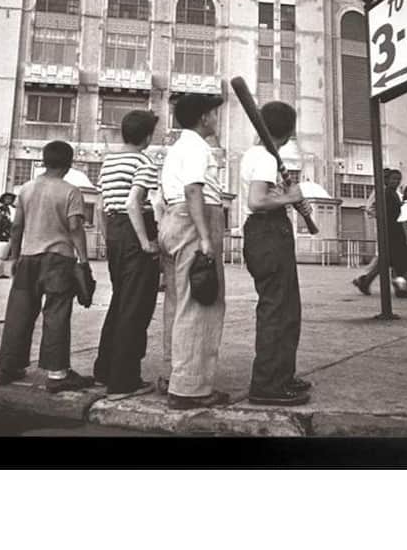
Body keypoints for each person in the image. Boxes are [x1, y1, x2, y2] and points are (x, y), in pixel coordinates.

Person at [0, 141, 96, 392]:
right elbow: (75, 228)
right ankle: (57, 374)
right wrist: (84, 261)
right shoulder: (71, 191)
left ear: (44, 161)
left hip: (28, 258)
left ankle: (8, 367)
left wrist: (14, 258)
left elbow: (17, 227)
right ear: (69, 164)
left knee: (19, 313)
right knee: (56, 314)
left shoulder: (26, 189)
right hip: (58, 260)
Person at [158, 92, 229, 410]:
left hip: (174, 219)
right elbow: (193, 190)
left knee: (177, 303)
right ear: (203, 117)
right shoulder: (197, 147)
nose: (216, 119)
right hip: (194, 220)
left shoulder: (177, 148)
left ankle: (174, 375)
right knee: (201, 305)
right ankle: (189, 389)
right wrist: (204, 238)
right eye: (213, 113)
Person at [240, 101, 312, 406]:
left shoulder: (256, 154)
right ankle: (267, 385)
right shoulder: (267, 157)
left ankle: (282, 375)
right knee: (277, 310)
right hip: (268, 232)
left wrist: (286, 196)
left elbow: (264, 196)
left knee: (286, 309)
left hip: (267, 232)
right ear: (290, 130)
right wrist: (289, 197)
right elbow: (256, 201)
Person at [92, 109, 162, 400]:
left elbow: (100, 205)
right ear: (147, 137)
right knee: (136, 307)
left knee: (120, 300)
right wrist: (145, 242)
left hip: (115, 233)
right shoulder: (144, 161)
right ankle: (124, 381)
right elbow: (134, 203)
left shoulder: (109, 161)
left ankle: (104, 370)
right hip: (136, 231)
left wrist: (109, 236)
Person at [353, 168, 402, 295]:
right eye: (390, 178)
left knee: (387, 259)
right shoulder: (380, 191)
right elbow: (370, 207)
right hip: (386, 229)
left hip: (394, 228)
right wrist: (382, 218)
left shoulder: (395, 193)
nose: (395, 181)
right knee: (385, 258)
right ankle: (365, 279)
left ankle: (365, 280)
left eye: (398, 179)